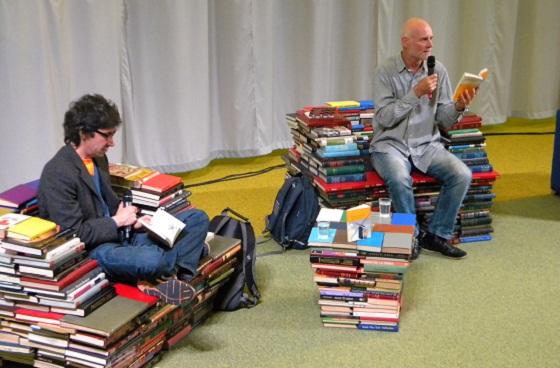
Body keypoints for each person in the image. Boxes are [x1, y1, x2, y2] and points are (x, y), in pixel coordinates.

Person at [38, 94, 209, 304]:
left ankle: (173, 277)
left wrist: (138, 221)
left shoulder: (98, 159)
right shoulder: (57, 173)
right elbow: (73, 234)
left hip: (123, 234)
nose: (112, 143)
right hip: (95, 250)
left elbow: (110, 202)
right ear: (84, 133)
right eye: (107, 136)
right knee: (152, 259)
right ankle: (179, 261)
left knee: (197, 219)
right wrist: (117, 221)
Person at [370, 18, 477, 259]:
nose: (429, 44)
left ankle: (437, 235)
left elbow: (443, 119)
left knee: (462, 174)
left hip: (427, 143)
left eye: (431, 38)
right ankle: (411, 237)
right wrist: (415, 93)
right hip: (390, 144)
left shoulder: (438, 69)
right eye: (423, 39)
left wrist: (459, 106)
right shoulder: (385, 72)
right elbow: (385, 118)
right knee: (399, 178)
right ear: (405, 42)